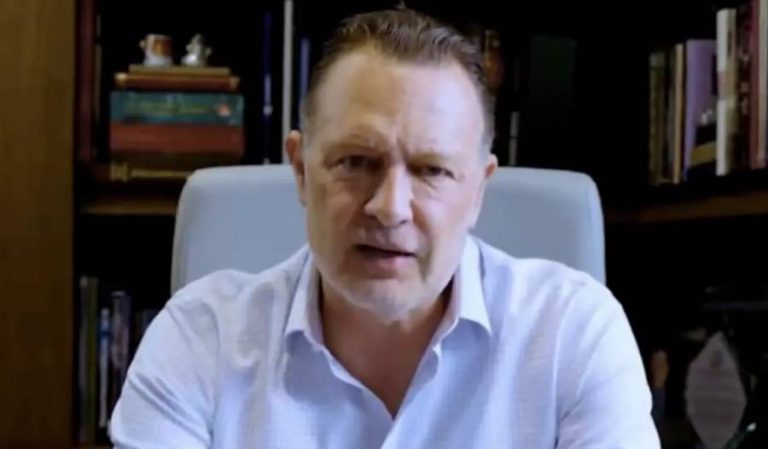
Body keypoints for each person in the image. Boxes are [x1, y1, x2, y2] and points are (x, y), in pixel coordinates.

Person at [109, 7, 660, 449]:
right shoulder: (198, 340)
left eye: (432, 171)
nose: (391, 208)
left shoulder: (573, 333)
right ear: (301, 170)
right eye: (356, 162)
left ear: (478, 191)